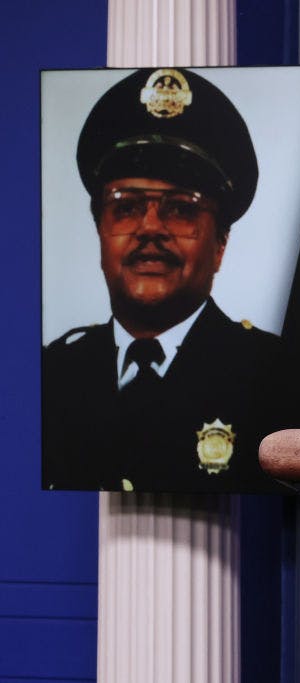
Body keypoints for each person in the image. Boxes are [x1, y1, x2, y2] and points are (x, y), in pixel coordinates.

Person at [43, 67, 285, 493]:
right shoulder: (50, 375)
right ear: (100, 230)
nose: (150, 228)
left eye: (181, 209)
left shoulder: (274, 378)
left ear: (221, 244)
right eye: (126, 207)